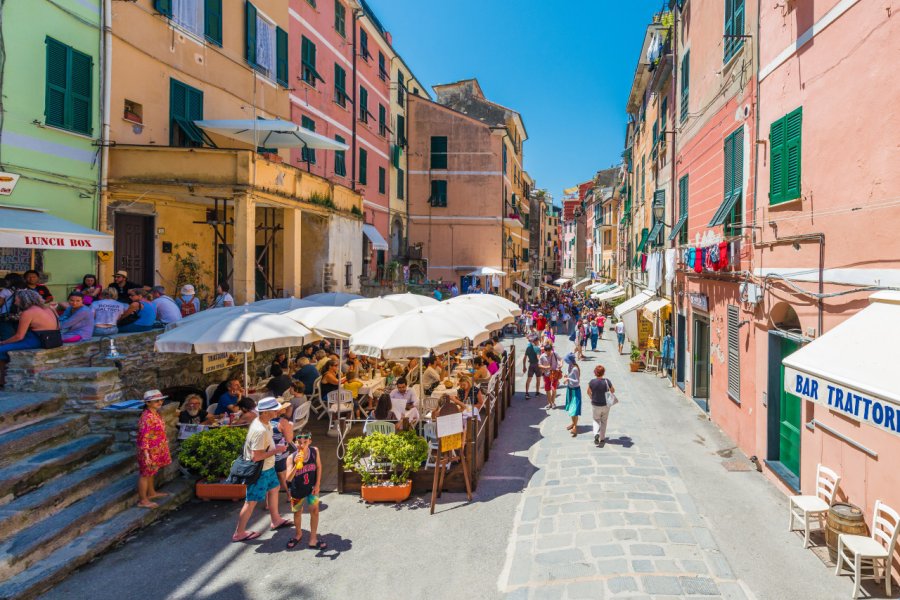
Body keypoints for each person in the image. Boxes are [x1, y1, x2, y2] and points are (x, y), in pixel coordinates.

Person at [232, 397, 291, 542]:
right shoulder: (260, 430)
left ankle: (276, 519)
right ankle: (239, 533)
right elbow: (256, 457)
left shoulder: (265, 422)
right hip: (260, 470)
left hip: (268, 466)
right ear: (265, 412)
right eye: (274, 409)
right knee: (251, 501)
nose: (278, 411)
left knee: (274, 488)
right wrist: (276, 451)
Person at [285, 430, 325, 550]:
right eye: (299, 442)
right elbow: (288, 478)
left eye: (305, 442)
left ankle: (313, 538)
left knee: (315, 510)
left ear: (310, 442)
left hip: (311, 488)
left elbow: (318, 466)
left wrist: (318, 484)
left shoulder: (314, 451)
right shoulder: (291, 458)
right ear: (295, 443)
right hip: (297, 490)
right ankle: (298, 534)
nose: (302, 444)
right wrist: (297, 464)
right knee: (297, 512)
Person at [0, 290, 60, 364]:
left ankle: (4, 374)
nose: (15, 303)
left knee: (1, 349)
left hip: (38, 341)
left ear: (23, 300)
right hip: (54, 339)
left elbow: (19, 336)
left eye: (16, 300)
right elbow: (58, 326)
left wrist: (3, 342)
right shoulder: (49, 309)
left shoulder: (28, 312)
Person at [136, 390, 172, 508]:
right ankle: (143, 500)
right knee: (145, 474)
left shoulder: (154, 413)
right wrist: (146, 454)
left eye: (161, 400)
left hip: (156, 449)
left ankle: (151, 493)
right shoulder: (147, 417)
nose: (160, 402)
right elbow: (144, 437)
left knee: (151, 472)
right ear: (148, 403)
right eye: (156, 401)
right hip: (148, 450)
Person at [587, 365, 616, 447]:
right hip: (605, 404)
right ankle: (602, 437)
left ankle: (596, 433)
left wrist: (591, 397)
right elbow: (613, 390)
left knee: (596, 420)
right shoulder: (607, 381)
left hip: (595, 404)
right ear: (603, 373)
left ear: (595, 373)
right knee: (604, 421)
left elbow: (588, 392)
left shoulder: (592, 382)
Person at [271, 404, 294, 493]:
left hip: (267, 452)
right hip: (279, 453)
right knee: (283, 476)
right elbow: (289, 439)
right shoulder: (282, 422)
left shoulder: (265, 420)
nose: (287, 408)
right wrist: (291, 427)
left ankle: (267, 503)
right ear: (279, 410)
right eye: (284, 407)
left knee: (269, 477)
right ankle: (289, 495)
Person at [539, 343, 562, 410]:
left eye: (550, 351)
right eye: (547, 351)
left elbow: (561, 359)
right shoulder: (542, 356)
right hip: (546, 375)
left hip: (555, 374)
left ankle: (553, 402)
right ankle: (550, 403)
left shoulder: (555, 354)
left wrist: (561, 364)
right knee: (547, 390)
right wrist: (546, 367)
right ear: (545, 351)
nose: (549, 353)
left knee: (554, 389)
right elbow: (539, 365)